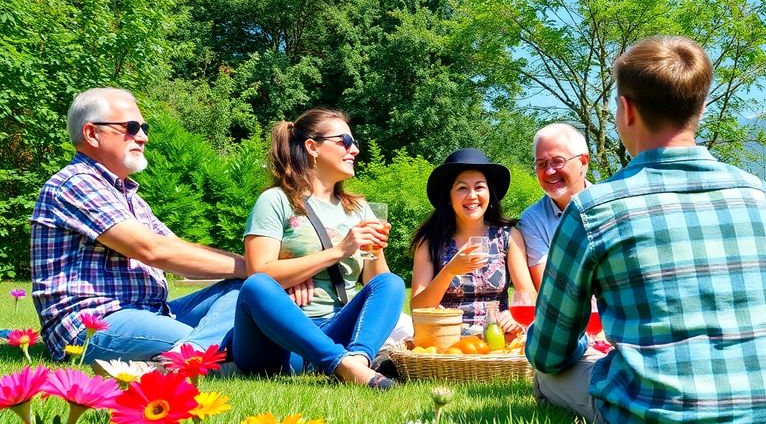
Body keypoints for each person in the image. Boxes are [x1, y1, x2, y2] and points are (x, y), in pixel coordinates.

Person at [526, 37, 766, 423]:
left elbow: (549, 351)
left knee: (549, 374)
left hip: (662, 414)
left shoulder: (594, 210)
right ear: (700, 108)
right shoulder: (765, 197)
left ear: (625, 110)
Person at [30, 88, 245, 363]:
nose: (143, 136)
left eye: (144, 127)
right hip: (93, 324)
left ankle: (194, 349)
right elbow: (151, 250)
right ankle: (190, 358)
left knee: (247, 291)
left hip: (152, 313)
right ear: (91, 133)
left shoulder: (129, 197)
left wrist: (256, 269)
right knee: (238, 342)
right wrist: (253, 267)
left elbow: (175, 249)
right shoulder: (75, 182)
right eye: (131, 127)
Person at [230, 108, 404, 389]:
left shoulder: (358, 208)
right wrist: (338, 251)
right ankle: (343, 364)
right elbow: (258, 272)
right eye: (345, 142)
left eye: (354, 143)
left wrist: (376, 249)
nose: (355, 150)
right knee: (256, 286)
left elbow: (376, 284)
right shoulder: (276, 201)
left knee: (392, 282)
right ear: (312, 147)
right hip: (279, 344)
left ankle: (356, 362)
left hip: (336, 328)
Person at [409, 148, 533, 332]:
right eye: (462, 188)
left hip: (498, 338)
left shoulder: (508, 236)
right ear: (449, 198)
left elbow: (528, 293)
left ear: (490, 195)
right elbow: (418, 309)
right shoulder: (431, 242)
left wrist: (514, 316)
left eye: (479, 187)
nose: (472, 196)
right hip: (449, 340)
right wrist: (449, 271)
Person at [518, 123, 590, 289]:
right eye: (541, 164)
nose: (549, 171)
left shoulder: (611, 206)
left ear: (583, 162)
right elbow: (548, 288)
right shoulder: (533, 220)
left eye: (558, 161)